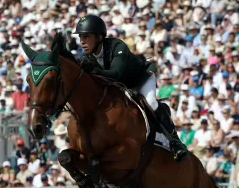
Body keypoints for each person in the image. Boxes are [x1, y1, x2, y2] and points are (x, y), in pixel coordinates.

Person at [71, 15, 188, 162]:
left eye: (86, 36)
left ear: (99, 37)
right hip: (123, 87)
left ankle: (175, 142)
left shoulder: (117, 46)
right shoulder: (87, 58)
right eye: (81, 37)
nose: (82, 41)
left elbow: (115, 75)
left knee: (150, 102)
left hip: (141, 78)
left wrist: (93, 70)